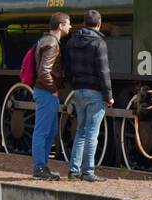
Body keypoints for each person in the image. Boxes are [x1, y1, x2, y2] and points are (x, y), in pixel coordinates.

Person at [63, 9, 113, 182]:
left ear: (84, 23)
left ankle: (74, 170)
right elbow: (103, 71)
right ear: (98, 24)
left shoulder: (71, 41)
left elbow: (67, 68)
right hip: (95, 91)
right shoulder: (99, 43)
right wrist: (109, 95)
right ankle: (88, 171)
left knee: (81, 131)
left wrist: (74, 84)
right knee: (92, 133)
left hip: (78, 91)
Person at [30, 12, 70, 180]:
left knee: (50, 130)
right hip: (46, 92)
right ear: (60, 26)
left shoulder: (45, 40)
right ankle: (39, 167)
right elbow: (44, 71)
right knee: (43, 131)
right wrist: (53, 89)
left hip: (44, 91)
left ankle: (42, 166)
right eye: (68, 23)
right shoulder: (52, 44)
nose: (70, 26)